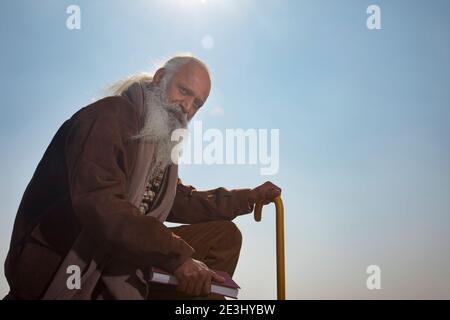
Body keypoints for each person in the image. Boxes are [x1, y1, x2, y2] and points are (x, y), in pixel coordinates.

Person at [4, 55, 281, 300]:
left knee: (223, 236)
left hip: (122, 247)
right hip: (63, 257)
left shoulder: (157, 142)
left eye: (197, 103)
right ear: (160, 78)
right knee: (180, 255)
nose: (187, 107)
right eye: (183, 91)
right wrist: (176, 257)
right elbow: (100, 203)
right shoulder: (108, 115)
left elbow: (178, 199)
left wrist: (247, 197)